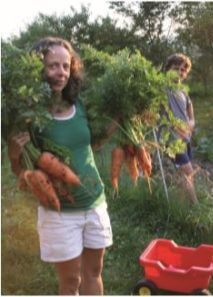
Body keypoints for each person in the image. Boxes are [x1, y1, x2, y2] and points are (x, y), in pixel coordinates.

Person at [7, 37, 113, 295]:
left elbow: (92, 144)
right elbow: (23, 174)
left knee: (94, 273)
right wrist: (13, 154)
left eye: (66, 66)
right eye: (52, 66)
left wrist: (117, 121)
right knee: (70, 282)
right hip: (59, 212)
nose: (61, 73)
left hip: (94, 204)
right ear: (37, 70)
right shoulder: (27, 115)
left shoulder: (80, 105)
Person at [163, 53, 198, 205]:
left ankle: (180, 206)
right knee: (188, 171)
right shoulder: (162, 87)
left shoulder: (182, 89)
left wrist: (192, 121)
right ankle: (196, 207)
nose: (180, 72)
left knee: (183, 176)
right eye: (176, 68)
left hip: (185, 138)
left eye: (183, 70)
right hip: (172, 139)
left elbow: (189, 105)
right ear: (167, 69)